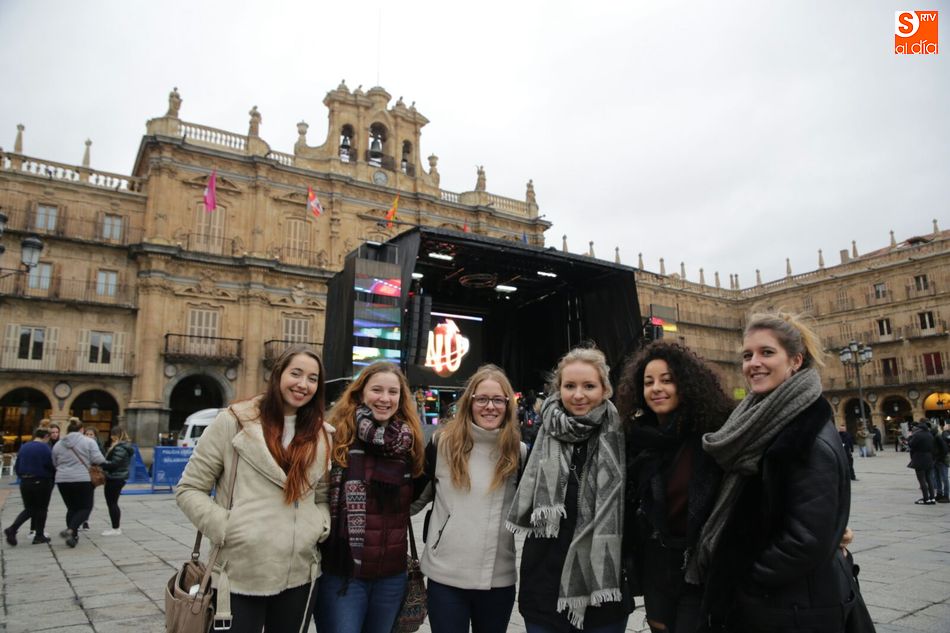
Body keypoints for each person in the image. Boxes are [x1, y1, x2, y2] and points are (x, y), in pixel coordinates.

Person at [695, 311, 853, 632]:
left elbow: (806, 540)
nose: (754, 363)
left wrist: (743, 577)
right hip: (774, 604)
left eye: (767, 353)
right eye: (747, 355)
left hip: (791, 608)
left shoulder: (805, 436)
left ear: (795, 361)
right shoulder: (758, 420)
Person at [176, 345, 332, 633]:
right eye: (295, 373)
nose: (303, 384)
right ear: (278, 375)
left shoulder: (321, 434)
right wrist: (227, 527)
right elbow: (189, 488)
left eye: (312, 378)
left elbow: (322, 494)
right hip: (239, 572)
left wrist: (318, 524)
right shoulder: (233, 423)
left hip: (299, 572)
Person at [508, 346, 630, 633]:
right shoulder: (543, 436)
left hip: (603, 591)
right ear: (558, 389)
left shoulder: (624, 436)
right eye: (570, 386)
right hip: (542, 586)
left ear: (605, 389)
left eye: (589, 386)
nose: (578, 395)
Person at [615, 342, 734, 633]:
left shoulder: (713, 437)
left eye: (667, 380)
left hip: (699, 567)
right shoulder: (636, 439)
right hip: (656, 565)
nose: (657, 388)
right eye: (649, 382)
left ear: (687, 384)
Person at [412, 364, 526, 633]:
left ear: (508, 405)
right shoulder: (442, 444)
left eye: (498, 399)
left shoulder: (518, 452)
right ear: (469, 403)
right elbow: (412, 500)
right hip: (446, 576)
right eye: (482, 399)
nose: (490, 406)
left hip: (498, 579)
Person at [315, 361, 425, 633]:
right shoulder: (335, 436)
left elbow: (419, 495)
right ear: (360, 393)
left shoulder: (408, 444)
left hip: (392, 575)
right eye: (377, 390)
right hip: (343, 574)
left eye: (393, 392)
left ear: (401, 398)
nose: (385, 399)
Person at [52, 418, 105, 547]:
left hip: (62, 479)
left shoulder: (58, 444)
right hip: (82, 478)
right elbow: (98, 459)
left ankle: (73, 537)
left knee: (71, 508)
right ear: (81, 430)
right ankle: (71, 529)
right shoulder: (88, 442)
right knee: (85, 507)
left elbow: (54, 462)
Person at [4, 428, 55, 546]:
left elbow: (17, 465)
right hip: (41, 480)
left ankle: (12, 529)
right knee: (42, 508)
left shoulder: (25, 447)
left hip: (25, 482)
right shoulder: (45, 448)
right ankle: (39, 535)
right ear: (46, 437)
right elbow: (50, 464)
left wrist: (22, 476)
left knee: (30, 508)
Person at [100, 426, 134, 535]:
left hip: (115, 477)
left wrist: (102, 464)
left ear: (116, 435)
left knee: (112, 503)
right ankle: (115, 527)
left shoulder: (120, 447)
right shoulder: (122, 446)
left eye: (112, 435)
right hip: (117, 477)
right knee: (112, 503)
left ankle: (115, 528)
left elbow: (115, 463)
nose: (110, 437)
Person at [907, 421, 936, 505]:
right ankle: (932, 498)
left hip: (919, 458)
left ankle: (926, 499)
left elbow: (911, 445)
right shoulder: (930, 435)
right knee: (929, 479)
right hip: (929, 458)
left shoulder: (917, 435)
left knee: (922, 480)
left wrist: (909, 438)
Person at [932, 422, 949, 503]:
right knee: (937, 477)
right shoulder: (934, 437)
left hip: (941, 461)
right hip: (936, 460)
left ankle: (946, 495)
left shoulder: (939, 437)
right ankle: (939, 494)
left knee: (944, 478)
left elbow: (945, 449)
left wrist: (939, 458)